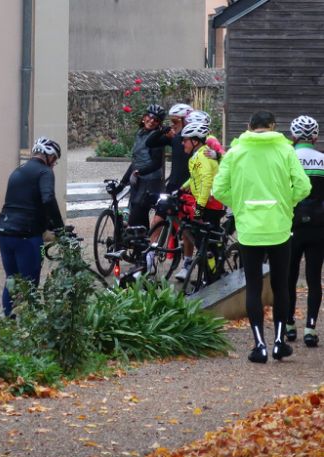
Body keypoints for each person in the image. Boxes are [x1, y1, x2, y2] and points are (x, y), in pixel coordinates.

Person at [213, 111, 311, 363]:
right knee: (281, 285)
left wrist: (241, 206)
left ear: (248, 126)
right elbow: (304, 186)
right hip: (279, 227)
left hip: (249, 229)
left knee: (253, 286)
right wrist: (286, 204)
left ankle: (259, 345)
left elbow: (219, 189)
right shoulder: (285, 150)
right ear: (273, 126)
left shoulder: (235, 152)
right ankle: (279, 342)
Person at [0, 136, 64, 316]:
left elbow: (27, 203)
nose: (54, 164)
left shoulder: (18, 171)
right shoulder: (45, 172)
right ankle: (29, 323)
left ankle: (9, 323)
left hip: (4, 232)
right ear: (49, 156)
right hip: (27, 236)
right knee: (30, 282)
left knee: (12, 280)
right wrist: (60, 228)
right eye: (55, 160)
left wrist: (48, 223)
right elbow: (48, 199)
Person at [286, 115, 324, 348]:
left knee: (288, 277)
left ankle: (289, 325)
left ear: (293, 135)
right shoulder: (322, 159)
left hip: (291, 226)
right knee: (314, 279)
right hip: (319, 227)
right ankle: (310, 328)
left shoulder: (287, 159)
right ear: (315, 137)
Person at [174, 121, 225, 280]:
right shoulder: (198, 155)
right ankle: (212, 274)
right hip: (207, 203)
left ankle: (213, 276)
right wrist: (182, 188)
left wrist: (198, 209)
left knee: (207, 244)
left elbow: (206, 183)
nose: (183, 143)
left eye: (185, 140)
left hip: (211, 204)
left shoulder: (202, 157)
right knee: (205, 242)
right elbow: (195, 178)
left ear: (195, 141)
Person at [117, 104, 166, 229]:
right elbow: (136, 162)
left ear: (159, 123)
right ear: (144, 117)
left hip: (151, 182)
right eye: (150, 117)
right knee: (137, 219)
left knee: (136, 216)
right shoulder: (140, 133)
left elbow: (157, 163)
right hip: (139, 180)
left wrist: (139, 172)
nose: (152, 121)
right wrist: (122, 183)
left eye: (156, 120)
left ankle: (142, 240)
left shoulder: (157, 137)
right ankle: (142, 239)